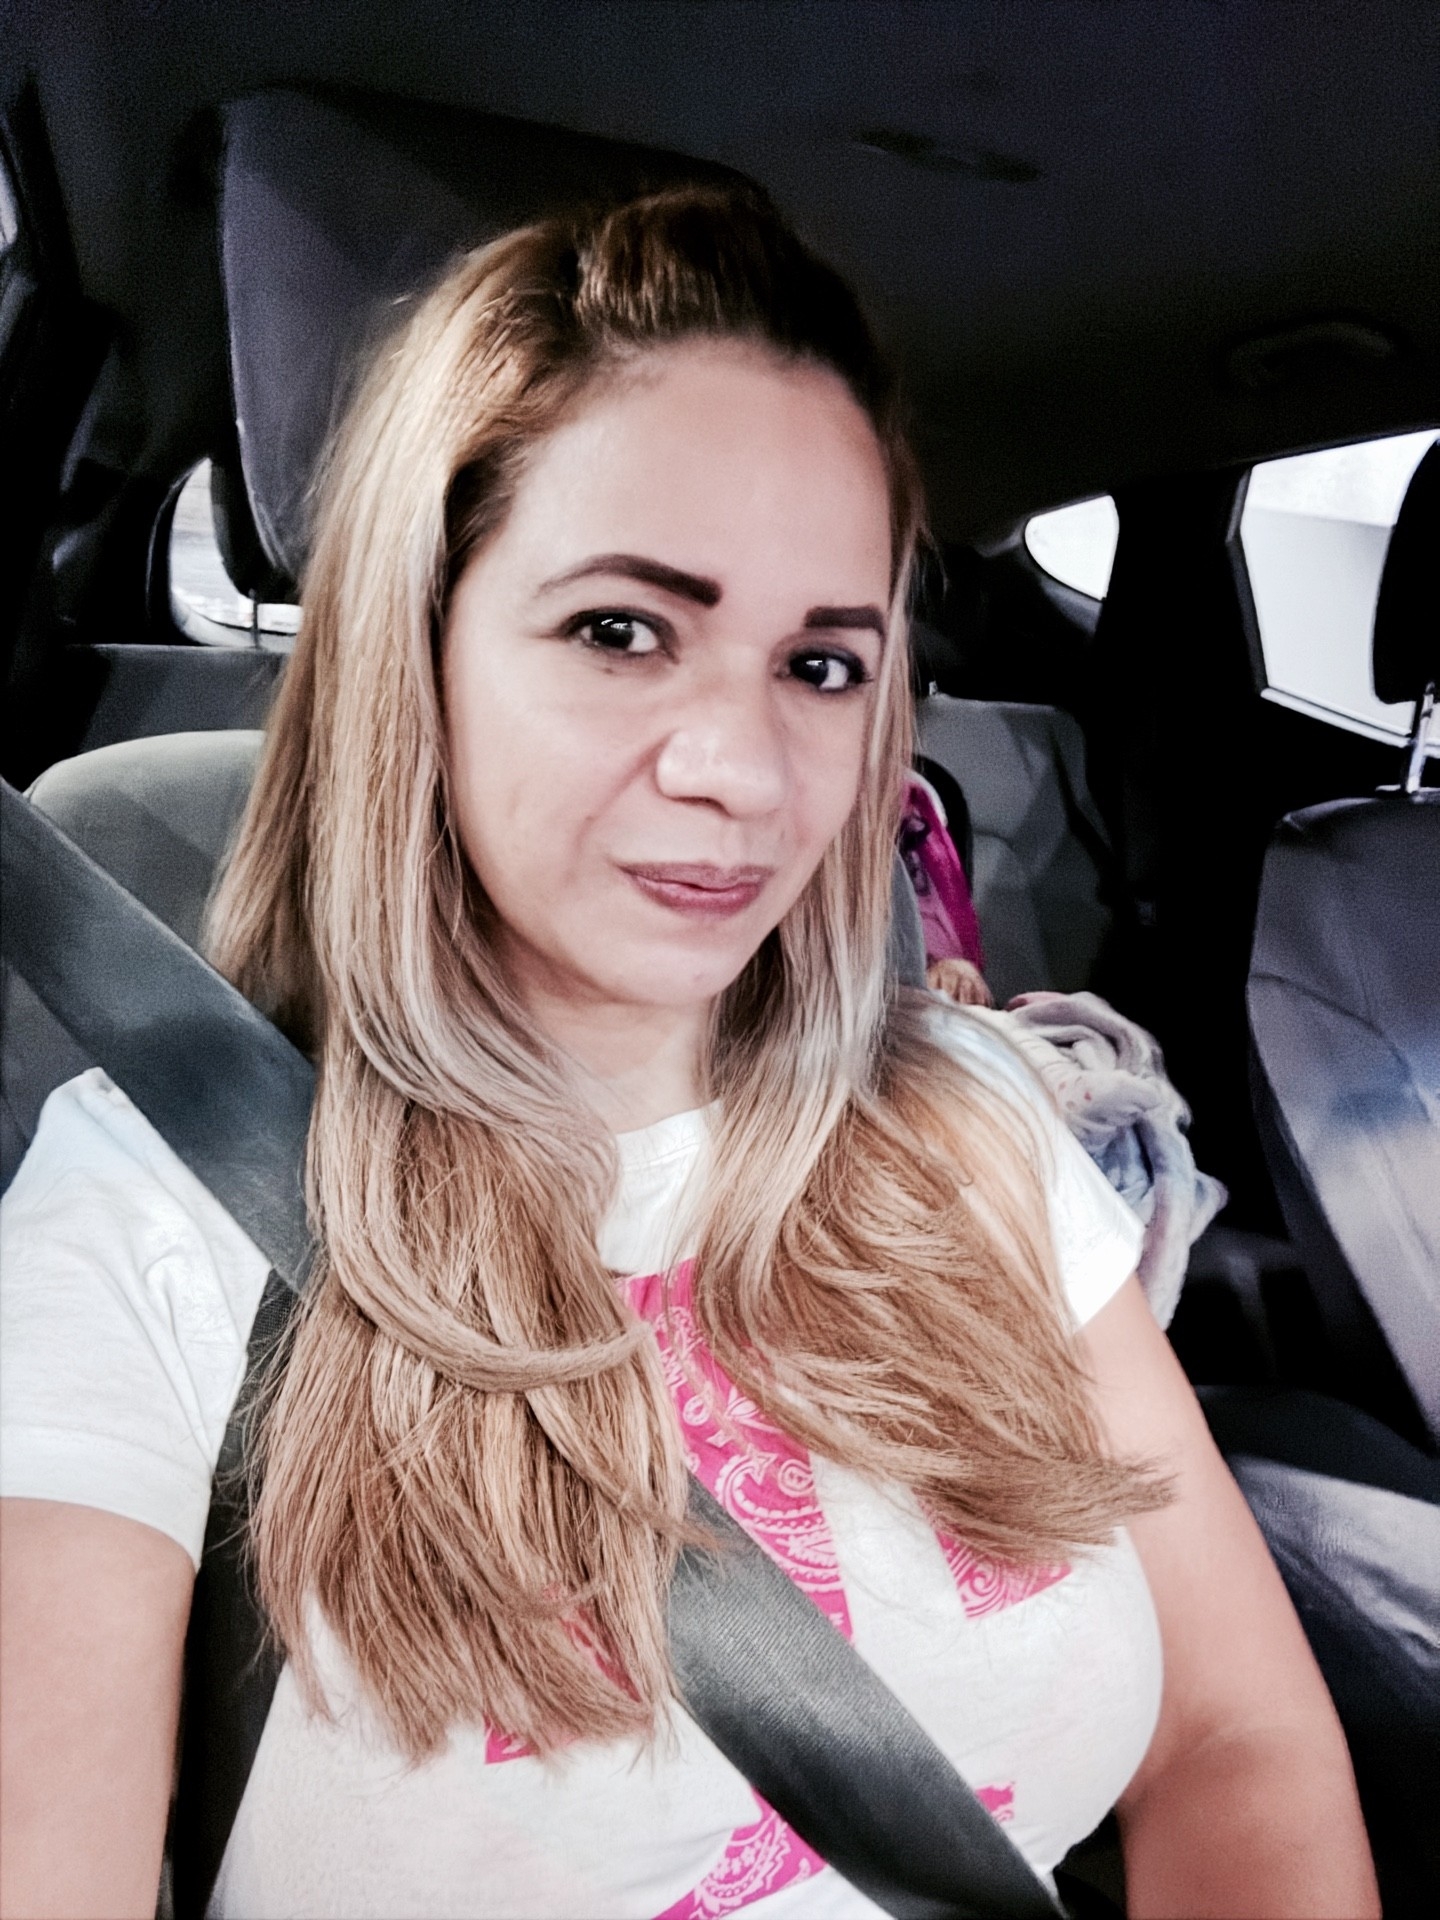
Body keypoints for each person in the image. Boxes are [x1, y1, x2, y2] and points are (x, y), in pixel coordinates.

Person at [0, 185, 1377, 1920]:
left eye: (821, 663)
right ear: (417, 651)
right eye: (621, 630)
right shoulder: (157, 1210)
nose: (741, 769)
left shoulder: (971, 1118)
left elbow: (1233, 1745)